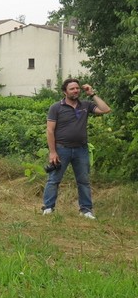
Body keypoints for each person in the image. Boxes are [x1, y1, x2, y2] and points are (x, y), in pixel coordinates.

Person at [42, 78, 111, 218]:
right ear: (64, 92)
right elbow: (50, 131)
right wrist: (53, 152)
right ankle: (48, 208)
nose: (76, 91)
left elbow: (106, 109)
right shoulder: (56, 107)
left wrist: (92, 94)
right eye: (72, 89)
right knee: (54, 180)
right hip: (62, 149)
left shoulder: (86, 105)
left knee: (83, 181)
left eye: (77, 88)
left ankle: (86, 210)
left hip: (81, 150)